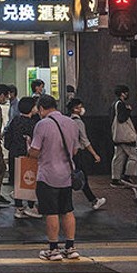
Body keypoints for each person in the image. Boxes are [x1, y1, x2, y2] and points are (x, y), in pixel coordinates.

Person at [30, 94, 84, 261]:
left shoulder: (42, 125)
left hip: (47, 175)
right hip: (67, 175)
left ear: (41, 109)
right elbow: (74, 151)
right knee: (67, 210)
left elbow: (34, 151)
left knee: (51, 212)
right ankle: (70, 247)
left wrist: (29, 148)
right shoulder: (72, 123)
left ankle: (53, 250)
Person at [3, 97, 41, 218]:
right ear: (31, 108)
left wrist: (10, 148)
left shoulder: (16, 120)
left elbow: (8, 136)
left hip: (14, 154)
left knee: (17, 181)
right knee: (30, 180)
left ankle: (19, 207)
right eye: (35, 106)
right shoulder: (33, 124)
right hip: (28, 155)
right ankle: (30, 206)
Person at [67, 98, 106, 210]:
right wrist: (95, 154)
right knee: (81, 177)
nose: (82, 109)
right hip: (78, 153)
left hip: (70, 153)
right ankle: (93, 200)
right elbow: (85, 140)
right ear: (75, 109)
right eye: (79, 107)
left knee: (73, 177)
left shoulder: (69, 121)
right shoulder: (79, 122)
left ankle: (92, 200)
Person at [110, 84, 137, 187]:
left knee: (118, 157)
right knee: (133, 156)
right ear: (122, 93)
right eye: (126, 92)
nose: (127, 94)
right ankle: (127, 176)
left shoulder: (114, 104)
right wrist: (128, 110)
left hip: (117, 135)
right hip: (125, 136)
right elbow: (122, 118)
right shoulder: (120, 104)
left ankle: (115, 179)